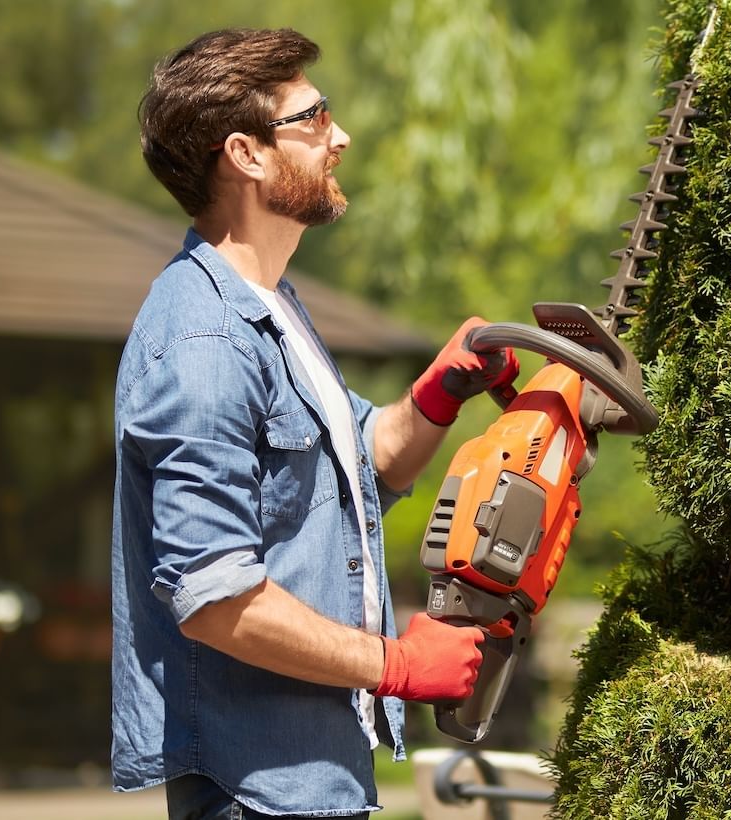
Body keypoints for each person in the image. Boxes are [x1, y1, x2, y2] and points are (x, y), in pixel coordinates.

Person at [111, 28, 515, 819]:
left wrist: (436, 396)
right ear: (248, 154)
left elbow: (356, 467)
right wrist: (397, 664)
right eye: (315, 116)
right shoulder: (203, 340)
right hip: (254, 792)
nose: (341, 136)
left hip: (311, 782)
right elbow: (216, 596)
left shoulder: (271, 307)